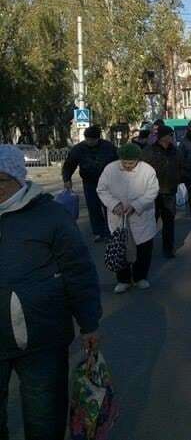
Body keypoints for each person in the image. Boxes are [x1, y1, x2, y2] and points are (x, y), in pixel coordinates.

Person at [0, 145, 102, 440]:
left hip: (42, 338)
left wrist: (89, 323)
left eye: (1, 180)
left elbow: (78, 271)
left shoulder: (49, 215)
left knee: (44, 420)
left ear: (19, 179)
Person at [97, 144, 160, 293]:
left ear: (138, 160)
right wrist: (114, 204)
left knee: (143, 248)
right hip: (118, 217)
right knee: (120, 248)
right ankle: (123, 279)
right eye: (124, 162)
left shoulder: (147, 170)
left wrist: (136, 205)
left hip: (141, 216)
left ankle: (140, 277)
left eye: (131, 163)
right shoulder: (110, 169)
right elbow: (102, 189)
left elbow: (152, 191)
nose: (128, 166)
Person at [62, 125, 118, 244]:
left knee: (109, 207)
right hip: (89, 183)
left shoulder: (108, 147)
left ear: (98, 138)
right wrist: (67, 178)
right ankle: (98, 232)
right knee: (93, 208)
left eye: (92, 139)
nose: (89, 142)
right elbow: (69, 164)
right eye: (87, 139)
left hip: (108, 183)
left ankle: (110, 231)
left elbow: (117, 163)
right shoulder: (79, 149)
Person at [141, 126, 181, 258]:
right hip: (153, 192)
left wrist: (178, 179)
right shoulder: (149, 151)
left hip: (169, 190)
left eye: (172, 135)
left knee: (169, 222)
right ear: (162, 136)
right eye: (170, 135)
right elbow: (143, 170)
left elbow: (179, 166)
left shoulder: (174, 150)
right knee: (151, 222)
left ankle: (168, 249)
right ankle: (146, 248)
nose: (172, 137)